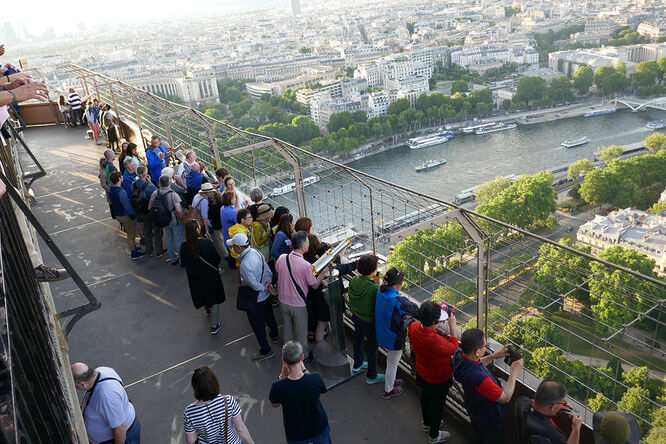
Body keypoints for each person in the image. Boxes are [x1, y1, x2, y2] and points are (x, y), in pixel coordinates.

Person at [452, 328, 524, 444]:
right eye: (484, 345)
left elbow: (476, 363)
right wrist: (514, 372)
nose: (486, 347)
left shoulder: (459, 354)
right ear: (477, 351)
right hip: (488, 415)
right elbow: (505, 398)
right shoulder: (481, 379)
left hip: (473, 406)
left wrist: (496, 355)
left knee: (478, 432)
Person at [408, 300, 460, 443]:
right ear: (434, 323)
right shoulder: (436, 341)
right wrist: (452, 327)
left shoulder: (413, 327)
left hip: (422, 372)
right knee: (437, 405)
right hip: (438, 377)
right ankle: (434, 435)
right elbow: (454, 349)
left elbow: (421, 330)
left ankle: (426, 423)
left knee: (426, 397)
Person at [275, 231, 327, 362]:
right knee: (301, 333)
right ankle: (303, 357)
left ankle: (287, 354)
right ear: (304, 247)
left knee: (287, 330)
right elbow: (314, 285)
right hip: (298, 304)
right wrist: (324, 273)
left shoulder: (282, 258)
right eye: (308, 242)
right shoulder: (306, 265)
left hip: (283, 301)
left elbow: (278, 270)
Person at [269, 341, 331, 444]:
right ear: (302, 357)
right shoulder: (315, 378)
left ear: (283, 360)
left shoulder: (278, 386)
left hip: (296, 433)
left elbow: (274, 404)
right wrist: (304, 369)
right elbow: (321, 393)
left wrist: (282, 376)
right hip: (319, 427)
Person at [229, 233, 278, 360]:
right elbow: (266, 268)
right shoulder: (255, 252)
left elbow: (253, 285)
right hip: (266, 293)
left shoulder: (245, 264)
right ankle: (275, 335)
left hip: (256, 298)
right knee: (269, 315)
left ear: (239, 248)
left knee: (258, 325)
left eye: (234, 246)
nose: (233, 248)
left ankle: (266, 350)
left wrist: (263, 288)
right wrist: (268, 285)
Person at [374, 267, 418, 399]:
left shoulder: (380, 291)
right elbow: (416, 310)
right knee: (392, 365)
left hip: (381, 331)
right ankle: (388, 390)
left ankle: (391, 382)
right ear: (399, 284)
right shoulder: (398, 301)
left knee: (391, 363)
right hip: (393, 337)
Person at [71, 362, 140, 444]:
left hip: (124, 437)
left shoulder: (106, 396)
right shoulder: (102, 370)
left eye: (74, 385)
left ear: (82, 384)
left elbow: (120, 428)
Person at [184, 366, 254, 444]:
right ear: (214, 382)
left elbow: (191, 441)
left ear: (195, 387)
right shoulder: (228, 401)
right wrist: (251, 442)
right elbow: (240, 429)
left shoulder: (189, 412)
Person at [180, 220, 225, 334]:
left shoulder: (184, 246)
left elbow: (183, 263)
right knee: (215, 298)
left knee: (202, 295)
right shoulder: (206, 243)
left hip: (195, 278)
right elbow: (217, 258)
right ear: (197, 230)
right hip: (211, 276)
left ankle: (207, 310)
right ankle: (214, 325)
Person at [347, 254, 384, 385]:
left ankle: (357, 363)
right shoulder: (374, 287)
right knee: (372, 348)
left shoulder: (355, 280)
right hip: (369, 321)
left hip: (356, 315)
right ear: (373, 269)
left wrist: (374, 278)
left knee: (358, 339)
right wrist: (377, 279)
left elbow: (367, 285)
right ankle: (371, 375)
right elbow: (376, 297)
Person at [522, 380, 582, 444]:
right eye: (562, 401)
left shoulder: (522, 402)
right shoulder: (553, 435)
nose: (564, 403)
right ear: (552, 406)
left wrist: (556, 408)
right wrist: (576, 429)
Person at [108, 171, 145, 260]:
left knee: (130, 233)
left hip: (118, 214)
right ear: (119, 179)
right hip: (125, 215)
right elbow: (126, 205)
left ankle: (134, 248)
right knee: (131, 235)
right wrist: (132, 214)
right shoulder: (122, 192)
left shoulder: (111, 190)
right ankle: (133, 252)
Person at [148, 175, 184, 265]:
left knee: (169, 239)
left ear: (160, 183)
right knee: (179, 239)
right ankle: (181, 260)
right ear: (169, 182)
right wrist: (182, 220)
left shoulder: (155, 193)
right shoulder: (173, 194)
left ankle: (173, 258)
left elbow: (149, 207)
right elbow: (179, 211)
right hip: (175, 221)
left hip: (163, 221)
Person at [133, 165, 165, 258]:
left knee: (147, 231)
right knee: (158, 231)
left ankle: (149, 250)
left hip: (142, 211)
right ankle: (159, 250)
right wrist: (150, 182)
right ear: (146, 174)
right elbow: (159, 194)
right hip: (152, 211)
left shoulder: (134, 184)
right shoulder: (150, 186)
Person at [207, 190, 227, 258]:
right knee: (225, 238)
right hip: (223, 224)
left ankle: (225, 254)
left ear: (215, 199)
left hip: (215, 226)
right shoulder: (222, 206)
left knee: (220, 241)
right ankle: (229, 251)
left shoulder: (211, 206)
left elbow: (209, 216)